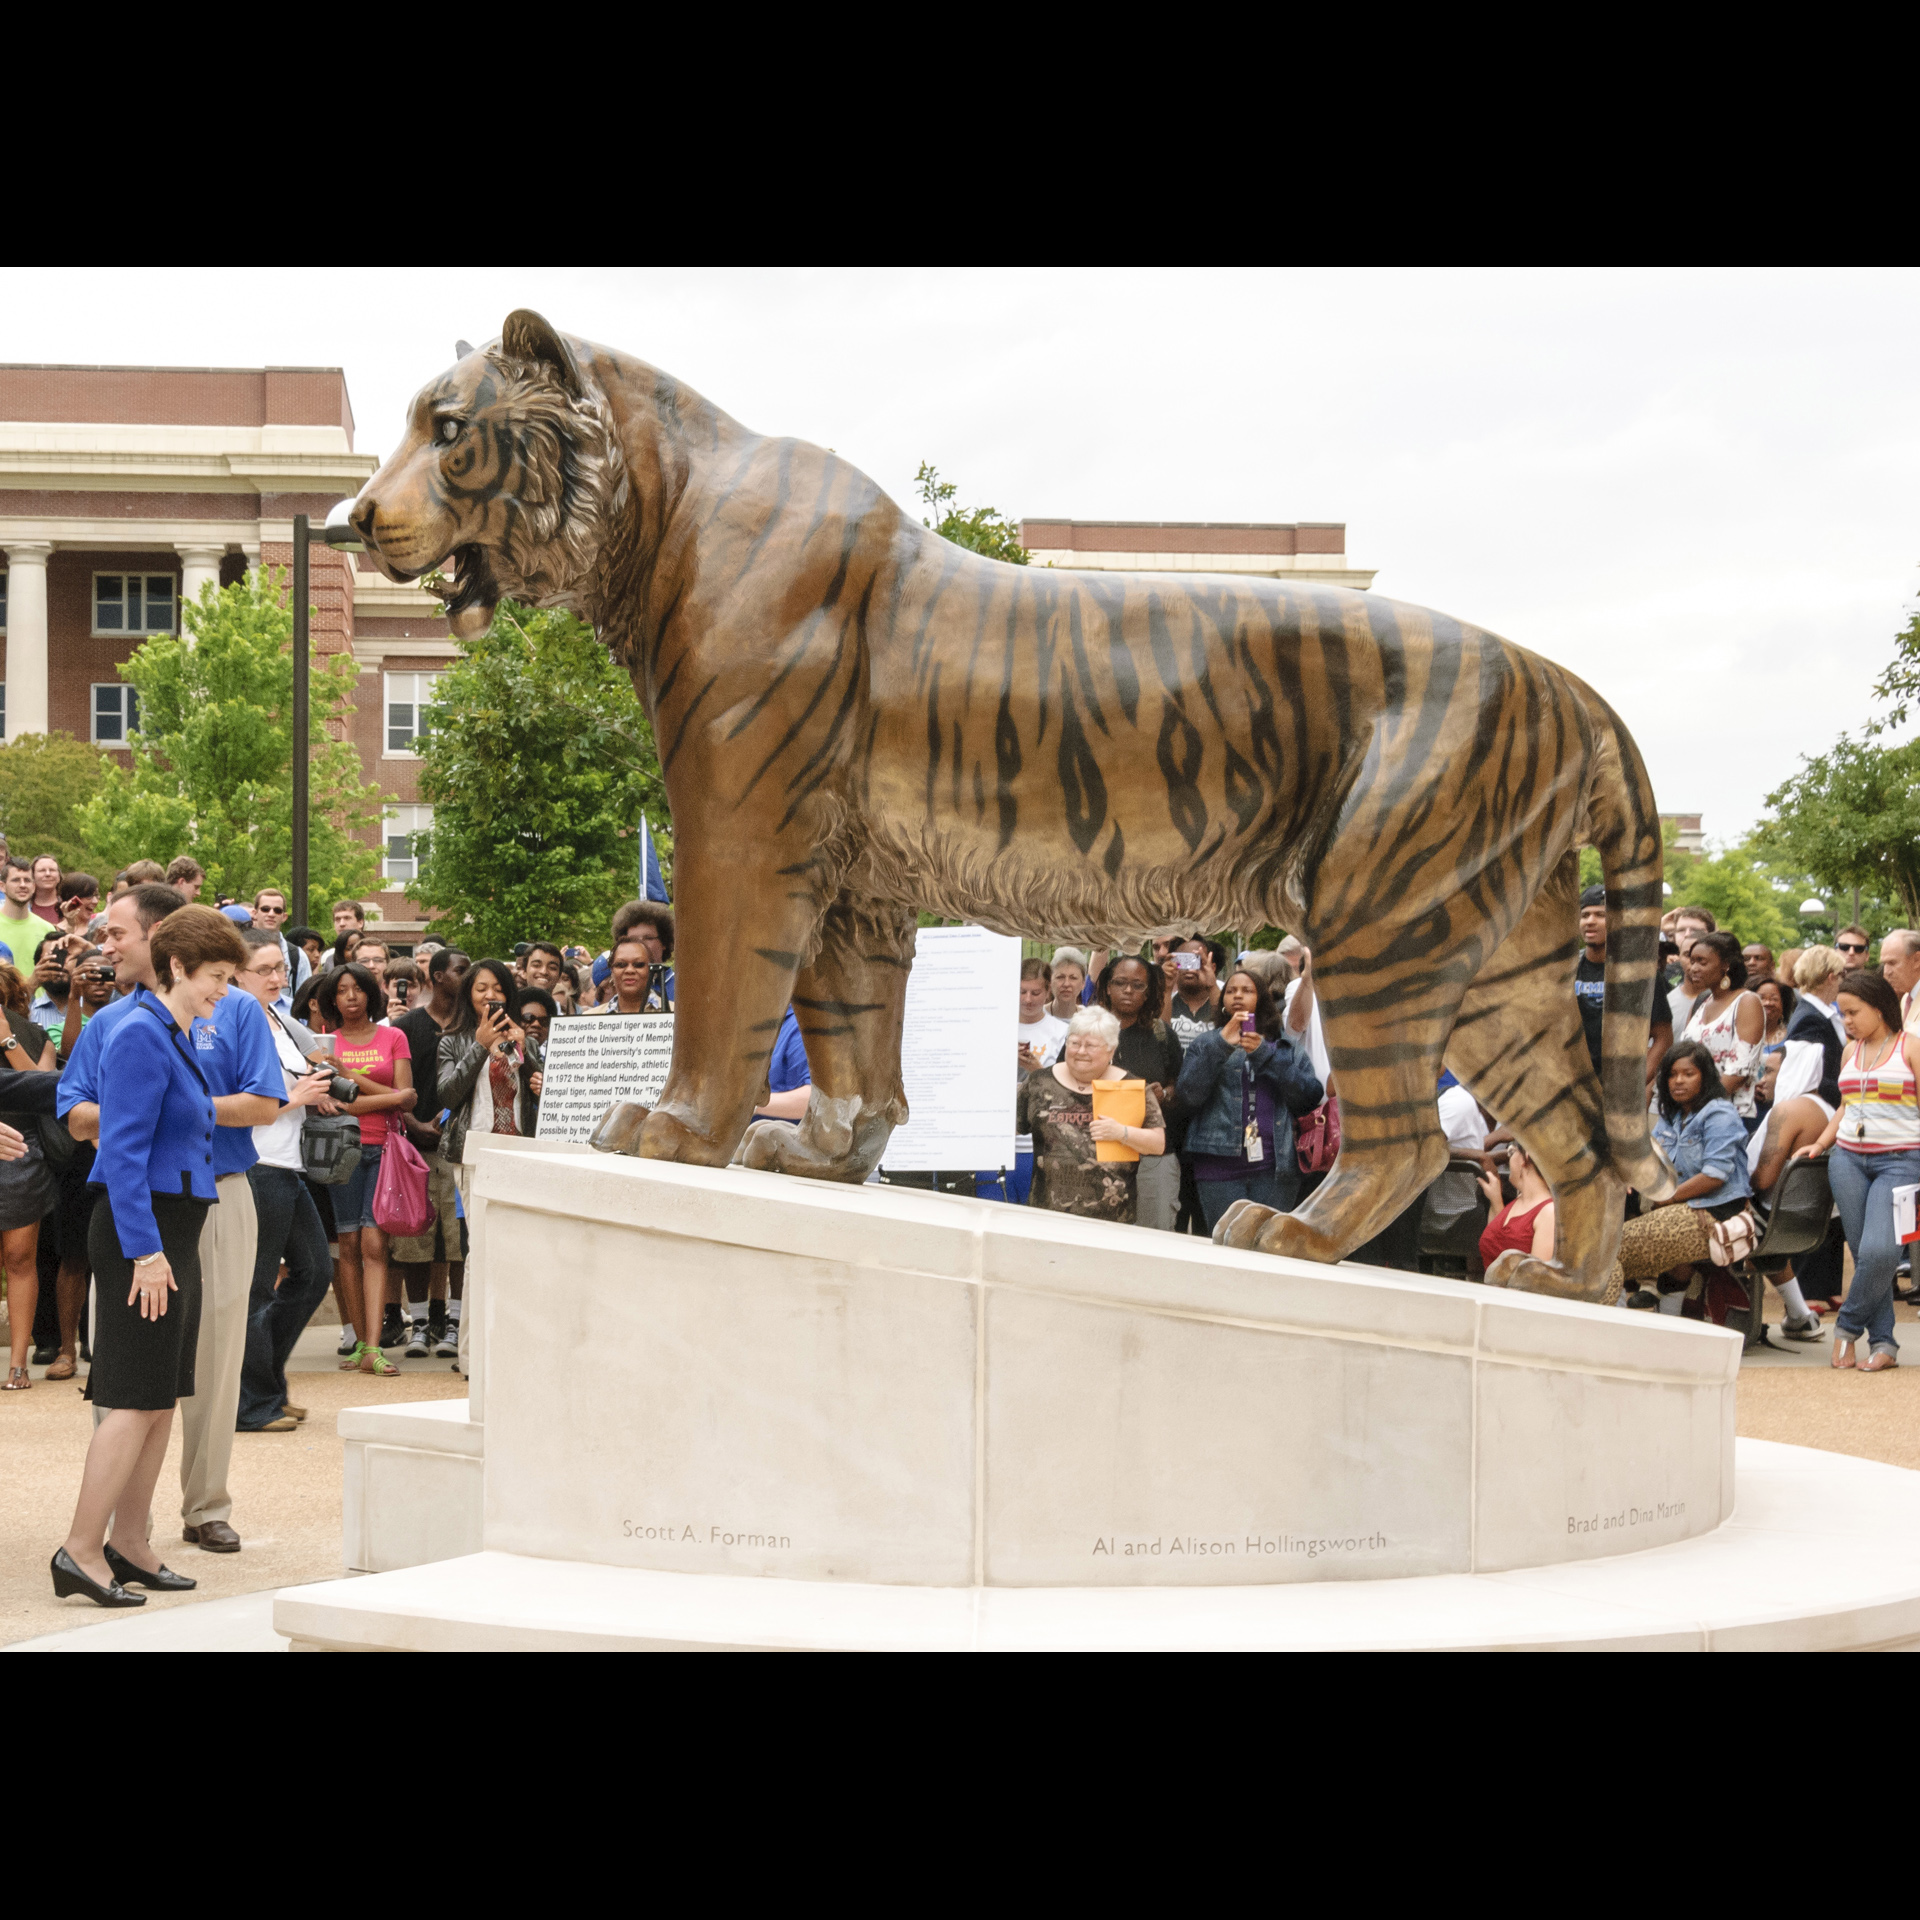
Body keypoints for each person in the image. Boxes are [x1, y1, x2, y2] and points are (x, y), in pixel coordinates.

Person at [51, 906, 250, 1608]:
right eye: (216, 977)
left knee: (161, 1400)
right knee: (130, 1402)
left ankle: (130, 1543)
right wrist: (145, 1253)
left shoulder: (177, 1030)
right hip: (146, 1233)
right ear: (176, 968)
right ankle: (80, 1549)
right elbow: (122, 1152)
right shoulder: (139, 1033)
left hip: (177, 1231)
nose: (224, 990)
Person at [230, 931, 334, 1430]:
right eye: (265, 970)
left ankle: (264, 1383)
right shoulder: (227, 1019)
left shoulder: (278, 1019)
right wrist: (298, 1096)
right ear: (235, 973)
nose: (277, 978)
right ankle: (251, 1402)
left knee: (315, 1273)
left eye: (281, 969)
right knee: (255, 1290)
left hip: (287, 1163)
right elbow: (233, 1103)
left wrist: (323, 1084)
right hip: (254, 1164)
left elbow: (309, 1068)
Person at [1792, 968, 1920, 1372]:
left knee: (1881, 1252)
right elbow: (1847, 1107)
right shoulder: (1850, 1051)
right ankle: (1884, 1343)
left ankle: (1846, 1329)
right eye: (1841, 1013)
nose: (1845, 1021)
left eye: (1852, 1012)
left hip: (1901, 1161)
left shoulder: (1910, 1047)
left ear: (1880, 1008)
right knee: (1864, 1252)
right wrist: (1822, 1141)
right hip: (1848, 1159)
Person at [314, 963, 414, 1375]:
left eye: (358, 988)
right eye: (342, 990)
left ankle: (374, 1346)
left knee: (375, 1246)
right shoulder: (324, 1043)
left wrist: (351, 1076)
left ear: (371, 993)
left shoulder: (394, 1035)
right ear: (332, 999)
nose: (351, 996)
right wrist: (386, 1095)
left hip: (384, 1152)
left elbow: (409, 1098)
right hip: (341, 1151)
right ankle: (357, 1344)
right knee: (349, 1247)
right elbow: (336, 1105)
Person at [1606, 1042, 1753, 1314]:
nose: (1678, 1081)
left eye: (1688, 1074)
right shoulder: (1671, 1115)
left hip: (1712, 1212)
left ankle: (1609, 1327)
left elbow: (1715, 1175)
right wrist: (1629, 1178)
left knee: (1612, 1250)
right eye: (1672, 1075)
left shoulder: (1720, 1114)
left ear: (1705, 1076)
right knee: (1605, 1240)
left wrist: (1670, 1196)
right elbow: (1653, 1157)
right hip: (1677, 1208)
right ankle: (1665, 1320)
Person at [1173, 967, 1322, 1229]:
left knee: (1269, 1246)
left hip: (1276, 1168)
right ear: (1222, 1001)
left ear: (1262, 999)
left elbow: (1308, 1098)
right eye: (1231, 991)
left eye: (1247, 990)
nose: (1237, 996)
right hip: (1218, 1166)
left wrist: (1266, 1055)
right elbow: (1188, 1096)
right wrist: (1221, 1044)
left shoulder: (1286, 1046)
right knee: (1225, 1246)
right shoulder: (1206, 1043)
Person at [392, 947, 471, 1359]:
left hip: (457, 1150)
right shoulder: (406, 1027)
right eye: (460, 970)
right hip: (415, 1152)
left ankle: (455, 1324)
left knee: (459, 1243)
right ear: (438, 976)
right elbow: (395, 1090)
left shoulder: (474, 1030)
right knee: (414, 1242)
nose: (467, 975)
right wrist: (413, 1124)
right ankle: (420, 1323)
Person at [1018, 1005, 1165, 1223]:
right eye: (1074, 1043)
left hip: (1111, 1217)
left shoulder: (1132, 1087)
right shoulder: (1040, 1082)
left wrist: (1121, 1132)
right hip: (1047, 1212)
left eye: (1091, 1045)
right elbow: (1010, 1126)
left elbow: (1157, 1144)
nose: (1081, 1051)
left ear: (1111, 1050)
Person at [0, 965, 58, 1390]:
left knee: (20, 1258)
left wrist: (7, 1039)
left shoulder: (32, 1033)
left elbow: (47, 1089)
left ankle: (19, 1361)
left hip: (21, 1156)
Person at [1096, 954, 1185, 1230]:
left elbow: (1180, 1084)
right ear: (1107, 987)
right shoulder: (1090, 1033)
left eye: (1138, 985)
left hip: (1153, 1156)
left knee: (1155, 1236)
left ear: (1148, 993)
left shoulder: (1161, 1034)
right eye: (1120, 983)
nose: (1128, 991)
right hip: (1099, 1155)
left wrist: (1165, 1094)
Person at [1676, 931, 1764, 1119]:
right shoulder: (1702, 1002)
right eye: (1692, 961)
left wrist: (1698, 1108)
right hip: (1689, 1113)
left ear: (1726, 965)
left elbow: (1739, 1071)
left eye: (1702, 962)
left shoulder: (1747, 1002)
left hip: (1727, 1116)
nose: (1694, 968)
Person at [1773, 946, 1847, 1108]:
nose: (1844, 981)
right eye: (1843, 974)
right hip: (1821, 1110)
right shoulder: (1810, 1019)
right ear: (1831, 977)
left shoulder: (1821, 1012)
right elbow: (1811, 1079)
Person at [1477, 1138, 1556, 1270]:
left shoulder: (1549, 1212)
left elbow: (1535, 1277)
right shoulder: (1519, 1200)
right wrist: (1495, 1200)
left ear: (1525, 1157)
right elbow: (1495, 1242)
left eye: (1512, 1152)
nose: (1509, 1159)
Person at [249, 888, 312, 999]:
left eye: (277, 910)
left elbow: (304, 999)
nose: (271, 914)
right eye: (265, 909)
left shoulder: (296, 955)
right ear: (254, 913)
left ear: (284, 917)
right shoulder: (241, 950)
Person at [1165, 938, 1224, 1050]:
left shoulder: (1221, 998)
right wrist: (1166, 987)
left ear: (1212, 967)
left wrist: (1212, 985)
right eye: (1183, 961)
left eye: (1197, 962)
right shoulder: (1167, 1002)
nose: (1190, 970)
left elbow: (1226, 1029)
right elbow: (1160, 1036)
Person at [0, 857, 55, 974]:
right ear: (2, 886)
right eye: (15, 880)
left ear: (34, 886)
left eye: (27, 880)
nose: (22, 885)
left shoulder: (47, 929)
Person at [1665, 907, 1716, 1033]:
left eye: (1695, 930)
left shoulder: (1728, 991)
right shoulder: (1662, 973)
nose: (1687, 934)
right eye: (1681, 930)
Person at [587, 933, 660, 1017]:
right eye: (621, 965)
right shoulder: (589, 1018)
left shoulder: (675, 1014)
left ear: (651, 970)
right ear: (612, 972)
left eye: (638, 964)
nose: (629, 970)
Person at [1752, 977, 1797, 1110]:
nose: (1768, 1003)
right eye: (1762, 998)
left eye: (1774, 999)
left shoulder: (1793, 1036)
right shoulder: (1741, 1036)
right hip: (1748, 1108)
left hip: (1782, 1106)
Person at [1047, 948, 1090, 1025]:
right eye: (1060, 977)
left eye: (1073, 978)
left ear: (1083, 983)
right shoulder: (1038, 1016)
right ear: (1050, 981)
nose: (1066, 984)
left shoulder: (1089, 1019)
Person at [57, 872, 101, 941]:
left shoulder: (99, 930)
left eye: (97, 895)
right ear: (73, 899)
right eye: (89, 896)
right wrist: (70, 925)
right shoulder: (55, 931)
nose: (95, 901)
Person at [28, 855, 62, 927]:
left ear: (59, 877)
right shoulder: (24, 907)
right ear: (32, 876)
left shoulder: (67, 906)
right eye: (42, 870)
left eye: (52, 870)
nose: (48, 874)